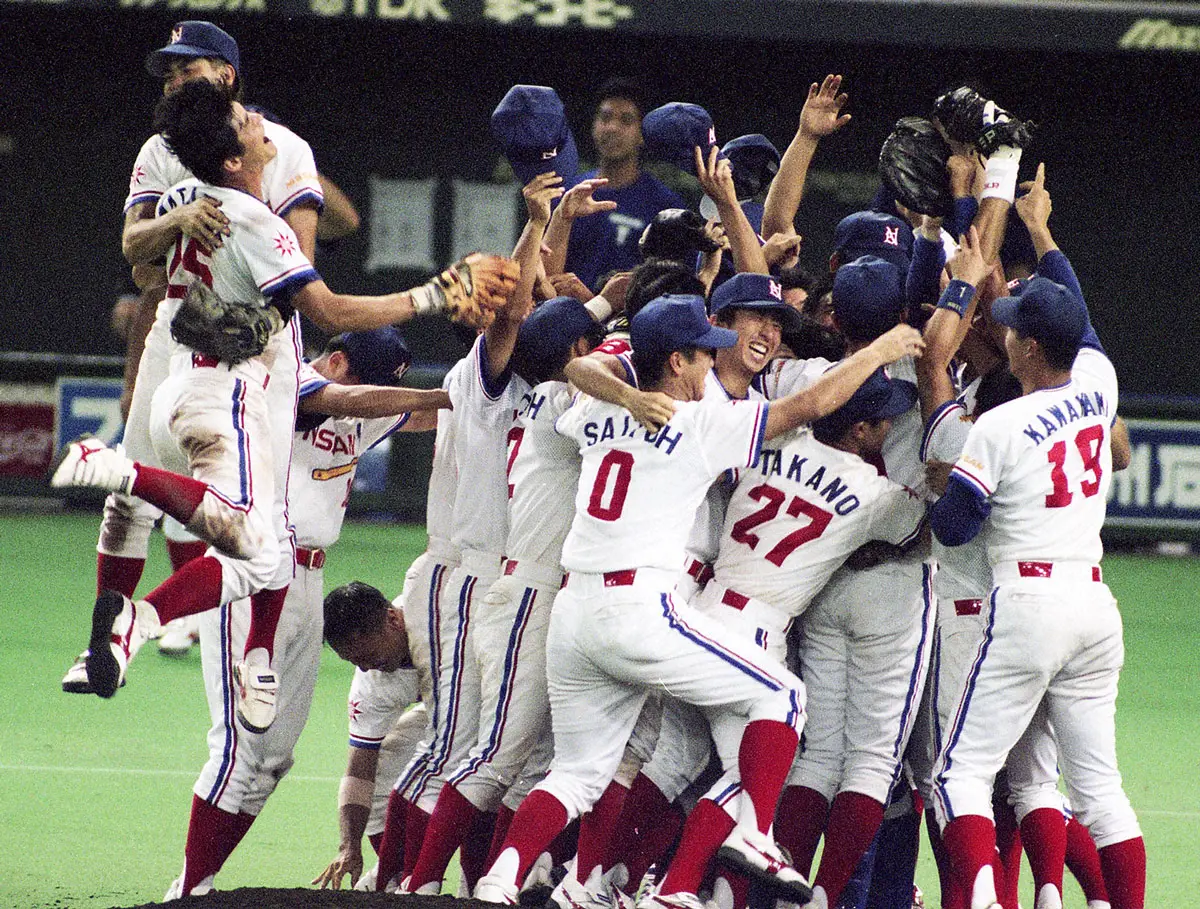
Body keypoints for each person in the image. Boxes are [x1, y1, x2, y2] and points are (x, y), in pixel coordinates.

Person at [52, 80, 517, 731]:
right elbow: (328, 309)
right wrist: (433, 295)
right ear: (235, 160)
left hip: (185, 388)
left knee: (263, 554)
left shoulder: (189, 198)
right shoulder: (254, 220)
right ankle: (124, 476)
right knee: (248, 539)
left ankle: (142, 627)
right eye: (244, 119)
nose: (258, 119)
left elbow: (145, 261)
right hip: (222, 400)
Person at [472, 294, 923, 908]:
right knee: (783, 696)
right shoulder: (702, 425)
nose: (715, 362)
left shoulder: (592, 408)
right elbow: (811, 404)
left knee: (576, 774)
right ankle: (756, 835)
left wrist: (629, 396)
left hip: (574, 615)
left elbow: (580, 369)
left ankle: (501, 879)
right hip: (639, 610)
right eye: (704, 354)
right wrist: (881, 350)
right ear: (677, 362)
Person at [927, 197, 1145, 909]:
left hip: (1025, 605)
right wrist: (1045, 231)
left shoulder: (1000, 424)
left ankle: (989, 901)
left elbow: (955, 528)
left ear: (1028, 348)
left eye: (1014, 329)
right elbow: (1077, 312)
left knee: (960, 774)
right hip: (1093, 603)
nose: (1006, 333)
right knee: (1100, 789)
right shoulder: (1097, 386)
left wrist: (931, 483)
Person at [557, 79, 685, 291]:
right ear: (593, 125)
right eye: (605, 118)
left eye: (626, 120)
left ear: (643, 134)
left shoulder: (665, 207)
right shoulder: (568, 194)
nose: (612, 128)